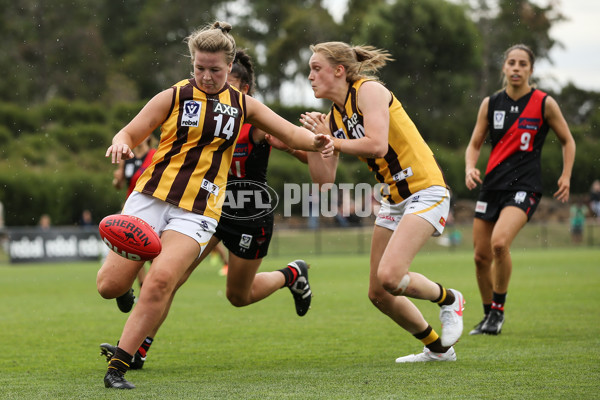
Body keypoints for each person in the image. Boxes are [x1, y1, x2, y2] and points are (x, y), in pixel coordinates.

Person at [97, 21, 333, 390]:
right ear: (192, 64)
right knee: (108, 286)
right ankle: (125, 294)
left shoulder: (243, 104)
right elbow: (130, 131)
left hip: (198, 210)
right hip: (149, 197)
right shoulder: (173, 96)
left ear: (229, 66)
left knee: (161, 281)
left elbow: (290, 133)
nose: (207, 77)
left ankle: (120, 366)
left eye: (215, 70)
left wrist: (318, 141)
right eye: (200, 69)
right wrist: (122, 142)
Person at [302, 41, 464, 363]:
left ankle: (450, 299)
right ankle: (438, 349)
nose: (310, 76)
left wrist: (332, 140)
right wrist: (313, 143)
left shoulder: (369, 91)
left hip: (424, 188)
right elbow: (324, 181)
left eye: (316, 68)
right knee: (378, 293)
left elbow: (377, 145)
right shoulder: (333, 117)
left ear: (339, 70)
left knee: (390, 276)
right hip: (393, 198)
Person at [464, 44, 576, 335]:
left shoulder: (544, 103)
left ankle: (498, 313)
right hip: (492, 186)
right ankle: (489, 315)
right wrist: (469, 167)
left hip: (525, 186)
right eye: (511, 62)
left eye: (522, 64)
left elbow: (568, 140)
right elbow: (475, 143)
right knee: (480, 257)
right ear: (504, 67)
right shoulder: (491, 103)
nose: (516, 68)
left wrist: (566, 175)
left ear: (531, 69)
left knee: (499, 243)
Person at [110, 136, 157, 311]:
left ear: (149, 137)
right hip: (130, 211)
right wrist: (116, 179)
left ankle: (153, 287)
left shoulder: (155, 155)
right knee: (133, 250)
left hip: (150, 210)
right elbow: (119, 185)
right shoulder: (127, 159)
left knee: (152, 255)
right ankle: (140, 288)